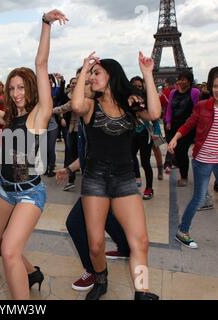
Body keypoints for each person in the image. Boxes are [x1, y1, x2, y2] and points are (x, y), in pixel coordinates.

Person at [0, 9, 67, 299]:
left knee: (9, 251)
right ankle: (31, 272)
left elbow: (41, 63)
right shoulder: (11, 117)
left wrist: (45, 24)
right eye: (11, 87)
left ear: (31, 87)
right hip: (5, 189)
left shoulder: (39, 114)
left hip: (29, 193)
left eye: (21, 86)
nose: (15, 92)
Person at [71, 51, 161, 300]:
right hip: (95, 180)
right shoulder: (91, 105)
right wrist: (84, 68)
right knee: (96, 244)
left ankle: (142, 291)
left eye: (96, 73)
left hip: (124, 180)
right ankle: (101, 279)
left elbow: (154, 113)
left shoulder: (130, 105)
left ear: (112, 75)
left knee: (140, 241)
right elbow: (77, 105)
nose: (92, 78)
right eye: (90, 75)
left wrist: (147, 75)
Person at [56, 76, 130, 292]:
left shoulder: (102, 112)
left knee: (75, 223)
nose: (76, 88)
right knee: (105, 217)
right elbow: (90, 154)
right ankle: (125, 247)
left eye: (83, 83)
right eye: (74, 84)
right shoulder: (86, 115)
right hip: (99, 180)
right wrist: (70, 168)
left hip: (107, 181)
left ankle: (94, 270)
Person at [168, 66, 218, 249]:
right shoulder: (203, 105)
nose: (217, 90)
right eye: (215, 86)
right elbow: (188, 124)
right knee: (198, 198)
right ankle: (183, 231)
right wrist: (175, 137)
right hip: (203, 160)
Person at [165, 71, 201, 187]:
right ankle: (177, 165)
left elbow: (197, 109)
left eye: (184, 79)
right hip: (173, 127)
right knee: (175, 150)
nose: (181, 81)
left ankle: (184, 176)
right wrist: (168, 121)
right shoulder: (173, 93)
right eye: (180, 79)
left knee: (182, 151)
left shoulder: (194, 92)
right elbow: (169, 109)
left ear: (190, 81)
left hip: (187, 127)